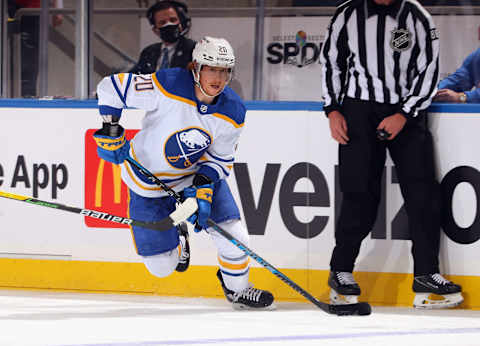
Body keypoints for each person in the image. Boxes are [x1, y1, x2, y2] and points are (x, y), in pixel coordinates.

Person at [93, 37, 275, 310]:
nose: (218, 78)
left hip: (192, 177)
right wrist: (111, 130)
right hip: (147, 184)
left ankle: (238, 290)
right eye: (211, 69)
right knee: (161, 267)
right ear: (196, 67)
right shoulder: (167, 85)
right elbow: (110, 88)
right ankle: (178, 231)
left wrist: (202, 186)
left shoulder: (233, 110)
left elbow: (219, 159)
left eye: (225, 71)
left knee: (235, 237)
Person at [320, 0, 463, 309]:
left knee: (423, 194)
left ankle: (426, 273)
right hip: (357, 111)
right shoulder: (347, 14)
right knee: (358, 193)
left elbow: (429, 68)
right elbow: (333, 62)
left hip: (407, 113)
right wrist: (332, 109)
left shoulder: (417, 16)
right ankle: (341, 270)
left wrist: (404, 113)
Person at [129, 0, 196, 74]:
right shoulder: (148, 52)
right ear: (155, 30)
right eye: (162, 22)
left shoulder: (193, 49)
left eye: (173, 20)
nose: (169, 24)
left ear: (181, 24)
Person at [13, 0, 63, 97]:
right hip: (13, 7)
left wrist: (58, 7)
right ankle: (26, 95)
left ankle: (27, 97)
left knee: (29, 59)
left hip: (31, 9)